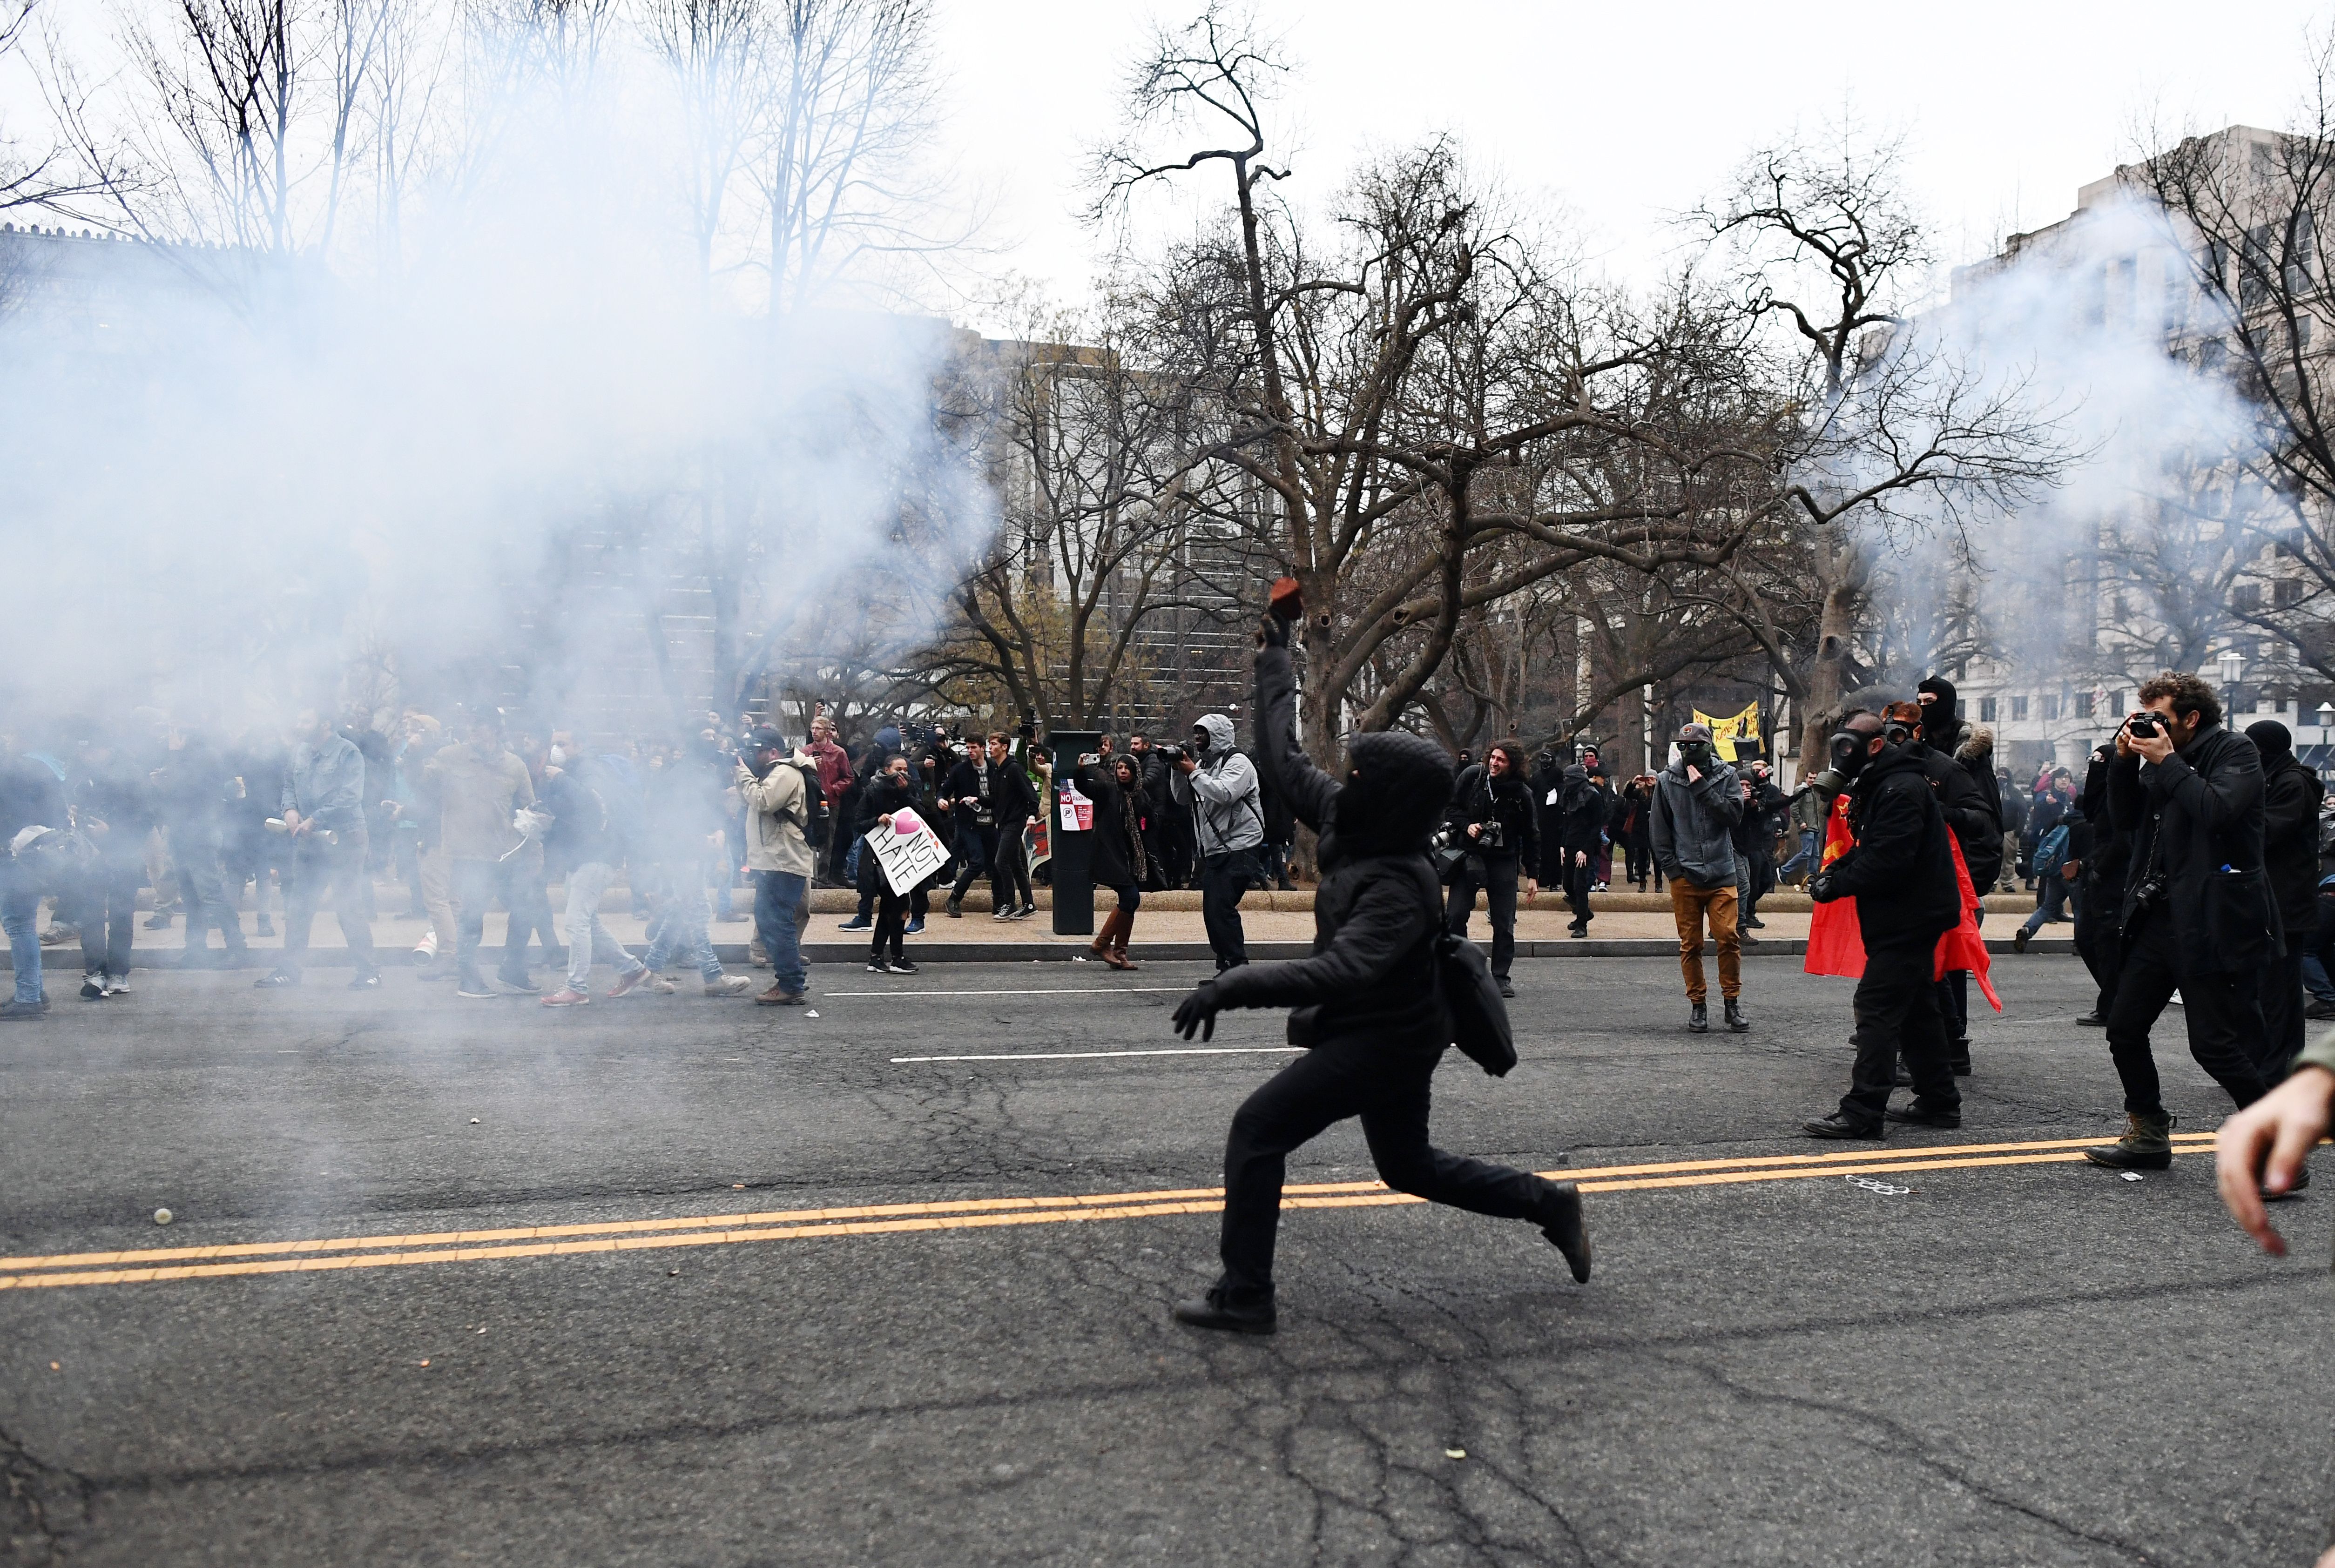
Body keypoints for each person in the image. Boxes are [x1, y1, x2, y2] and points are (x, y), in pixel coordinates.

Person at [1164, 607, 1589, 1336]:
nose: (1343, 777)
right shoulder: (1351, 816)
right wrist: (1277, 660)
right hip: (1386, 1027)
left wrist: (1231, 984)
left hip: (1387, 1038)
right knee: (1408, 1166)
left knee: (1258, 1129)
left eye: (1359, 771)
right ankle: (1550, 1204)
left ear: (1384, 794)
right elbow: (1283, 760)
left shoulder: (1399, 882)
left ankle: (1247, 1294)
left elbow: (1341, 971)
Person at [2086, 673, 2278, 1171]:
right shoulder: (2157, 757)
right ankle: (2148, 1132)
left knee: (2214, 1046)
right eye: (2142, 716)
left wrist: (2166, 760)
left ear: (2191, 718)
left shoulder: (2237, 753)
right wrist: (2125, 763)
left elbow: (2215, 811)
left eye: (2161, 718)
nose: (2147, 726)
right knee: (2124, 1028)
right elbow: (2125, 819)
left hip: (2212, 919)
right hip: (2158, 916)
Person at [1801, 711, 1965, 1138]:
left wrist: (1835, 885)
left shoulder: (1900, 788)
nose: (1842, 756)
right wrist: (1834, 873)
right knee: (1916, 1010)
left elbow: (1889, 862)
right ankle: (1939, 1100)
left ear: (1875, 746)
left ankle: (1863, 1110)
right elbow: (1873, 847)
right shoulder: (1888, 783)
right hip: (1910, 913)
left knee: (1876, 1006)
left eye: (1849, 746)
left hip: (1909, 917)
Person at [1904, 685, 2002, 1076]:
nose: (1926, 710)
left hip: (1958, 875)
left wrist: (1971, 884)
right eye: (1921, 703)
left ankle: (1952, 1043)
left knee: (1952, 961)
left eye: (1933, 703)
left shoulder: (1969, 761)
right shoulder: (1916, 750)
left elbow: (1986, 822)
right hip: (1922, 868)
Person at [256, 707, 381, 990]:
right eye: (299, 719)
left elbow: (351, 795)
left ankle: (369, 972)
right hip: (310, 840)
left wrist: (316, 818)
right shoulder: (300, 751)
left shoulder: (348, 752)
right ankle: (289, 970)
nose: (299, 725)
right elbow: (289, 783)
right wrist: (289, 809)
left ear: (324, 723)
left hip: (345, 839)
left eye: (305, 720)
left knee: (348, 907)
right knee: (299, 907)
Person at [420, 709, 539, 999]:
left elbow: (530, 807)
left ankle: (512, 970)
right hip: (469, 854)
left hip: (506, 853)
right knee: (472, 917)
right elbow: (423, 787)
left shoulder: (514, 765)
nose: (473, 728)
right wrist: (417, 756)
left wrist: (538, 823)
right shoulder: (450, 756)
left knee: (526, 911)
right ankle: (469, 979)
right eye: (471, 723)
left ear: (496, 730)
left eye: (480, 723)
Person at [536, 744, 659, 1007]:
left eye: (564, 743)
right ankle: (633, 971)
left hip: (599, 856)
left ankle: (576, 988)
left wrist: (560, 778)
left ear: (578, 745)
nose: (557, 749)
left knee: (576, 921)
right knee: (589, 920)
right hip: (585, 857)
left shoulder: (587, 770)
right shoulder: (574, 771)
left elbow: (590, 802)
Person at [1650, 722, 1748, 1033]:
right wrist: (1674, 872)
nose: (1688, 751)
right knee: (1690, 945)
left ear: (1709, 745)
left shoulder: (1726, 776)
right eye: (1683, 746)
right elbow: (1659, 831)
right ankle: (1698, 1005)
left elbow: (1733, 817)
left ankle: (1732, 1002)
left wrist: (1703, 789)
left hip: (1722, 873)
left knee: (1728, 938)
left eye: (1694, 745)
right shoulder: (1667, 781)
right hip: (1686, 876)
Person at [2248, 718, 2322, 1076]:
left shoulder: (2292, 783)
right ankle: (2266, 1060)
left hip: (2287, 902)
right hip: (2273, 899)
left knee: (2281, 993)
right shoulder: (2276, 777)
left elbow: (2269, 830)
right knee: (2265, 989)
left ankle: (2282, 1065)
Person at [1443, 740, 1541, 994]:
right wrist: (1468, 825)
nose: (1495, 763)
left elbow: (1532, 836)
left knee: (1504, 921)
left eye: (1502, 760)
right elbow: (1451, 809)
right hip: (1469, 854)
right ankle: (1463, 969)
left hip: (1503, 859)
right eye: (1494, 758)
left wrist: (1533, 875)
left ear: (1513, 765)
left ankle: (1500, 977)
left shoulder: (1522, 794)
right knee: (1455, 915)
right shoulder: (1473, 777)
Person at [1172, 712, 1266, 972]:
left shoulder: (1239, 763)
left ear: (1218, 736)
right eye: (1196, 733)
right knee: (1212, 913)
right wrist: (1179, 771)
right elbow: (1183, 798)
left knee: (1221, 908)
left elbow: (1224, 793)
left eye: (1203, 733)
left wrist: (1193, 773)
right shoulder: (1204, 766)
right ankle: (1226, 967)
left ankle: (1239, 969)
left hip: (1242, 845)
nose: (1197, 738)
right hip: (1217, 848)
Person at [154, 721, 250, 969]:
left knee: (211, 893)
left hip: (198, 835)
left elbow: (183, 788)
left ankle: (238, 948)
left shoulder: (204, 758)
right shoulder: (191, 757)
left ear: (183, 734)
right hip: (182, 833)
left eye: (172, 733)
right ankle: (195, 949)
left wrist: (173, 756)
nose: (168, 738)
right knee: (190, 896)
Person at [731, 727, 814, 1005]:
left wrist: (743, 773)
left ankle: (791, 984)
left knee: (778, 923)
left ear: (774, 753)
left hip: (783, 860)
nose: (754, 756)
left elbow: (763, 801)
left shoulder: (785, 773)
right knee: (772, 921)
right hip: (775, 860)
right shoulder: (773, 773)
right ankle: (791, 979)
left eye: (758, 751)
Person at [67, 732, 153, 998]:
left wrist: (112, 832)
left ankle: (118, 972)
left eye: (92, 751)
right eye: (84, 751)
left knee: (121, 915)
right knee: (90, 915)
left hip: (122, 854)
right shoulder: (77, 774)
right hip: (87, 856)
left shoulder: (130, 775)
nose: (87, 756)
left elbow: (146, 819)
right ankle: (95, 972)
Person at [0, 731, 67, 1019]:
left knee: (19, 925)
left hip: (19, 856)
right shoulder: (39, 767)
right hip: (38, 855)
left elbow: (9, 817)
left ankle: (28, 998)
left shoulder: (10, 773)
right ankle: (34, 992)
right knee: (23, 923)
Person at [2068, 742, 2126, 1027]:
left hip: (2112, 880)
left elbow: (2123, 838)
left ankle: (2115, 1003)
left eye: (2101, 762)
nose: (2095, 766)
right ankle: (2115, 999)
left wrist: (2101, 869)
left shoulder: (2122, 793)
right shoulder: (2102, 795)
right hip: (2098, 874)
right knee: (2089, 940)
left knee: (2104, 942)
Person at [1076, 751, 1148, 970]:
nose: (1123, 772)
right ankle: (1101, 943)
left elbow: (1149, 823)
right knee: (1131, 897)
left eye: (1127, 768)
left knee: (1131, 902)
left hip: (1132, 858)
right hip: (1110, 854)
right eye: (1119, 768)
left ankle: (1120, 954)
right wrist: (1080, 769)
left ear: (1135, 772)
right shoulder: (1109, 790)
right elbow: (1083, 787)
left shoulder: (1141, 796)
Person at [856, 752, 922, 975]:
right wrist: (877, 820)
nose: (903, 774)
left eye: (905, 770)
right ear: (886, 770)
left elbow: (921, 815)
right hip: (880, 860)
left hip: (902, 857)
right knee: (899, 906)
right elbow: (859, 823)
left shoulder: (908, 789)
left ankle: (877, 957)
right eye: (898, 770)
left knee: (890, 908)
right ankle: (896, 957)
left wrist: (906, 794)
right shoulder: (873, 790)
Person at [941, 734, 1004, 918]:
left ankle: (999, 902)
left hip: (991, 823)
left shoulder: (995, 768)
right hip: (969, 824)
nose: (970, 751)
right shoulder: (960, 770)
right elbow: (945, 790)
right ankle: (954, 898)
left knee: (998, 864)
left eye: (974, 748)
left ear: (983, 748)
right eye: (968, 748)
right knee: (977, 862)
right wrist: (941, 800)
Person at [985, 732, 1039, 919]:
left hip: (1015, 822)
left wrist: (1031, 815)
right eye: (990, 744)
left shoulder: (1014, 769)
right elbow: (996, 799)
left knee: (1001, 861)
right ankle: (1029, 904)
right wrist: (978, 800)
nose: (990, 748)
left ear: (1004, 747)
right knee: (1015, 863)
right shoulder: (998, 771)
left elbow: (1031, 795)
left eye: (994, 744)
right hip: (1005, 821)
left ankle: (1009, 902)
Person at [1552, 753, 1605, 940]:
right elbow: (1566, 822)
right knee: (1567, 884)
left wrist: (1586, 850)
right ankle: (1584, 912)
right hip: (1570, 844)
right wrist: (1562, 846)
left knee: (1580, 885)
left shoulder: (1593, 796)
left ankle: (1582, 924)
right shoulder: (1568, 795)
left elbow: (1596, 825)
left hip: (1586, 846)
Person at [804, 711, 852, 888]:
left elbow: (848, 777)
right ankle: (808, 875)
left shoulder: (838, 753)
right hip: (809, 801)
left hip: (830, 802)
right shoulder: (805, 752)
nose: (815, 731)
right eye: (813, 728)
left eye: (818, 728)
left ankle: (823, 877)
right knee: (807, 838)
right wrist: (808, 764)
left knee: (827, 840)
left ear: (827, 732)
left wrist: (833, 790)